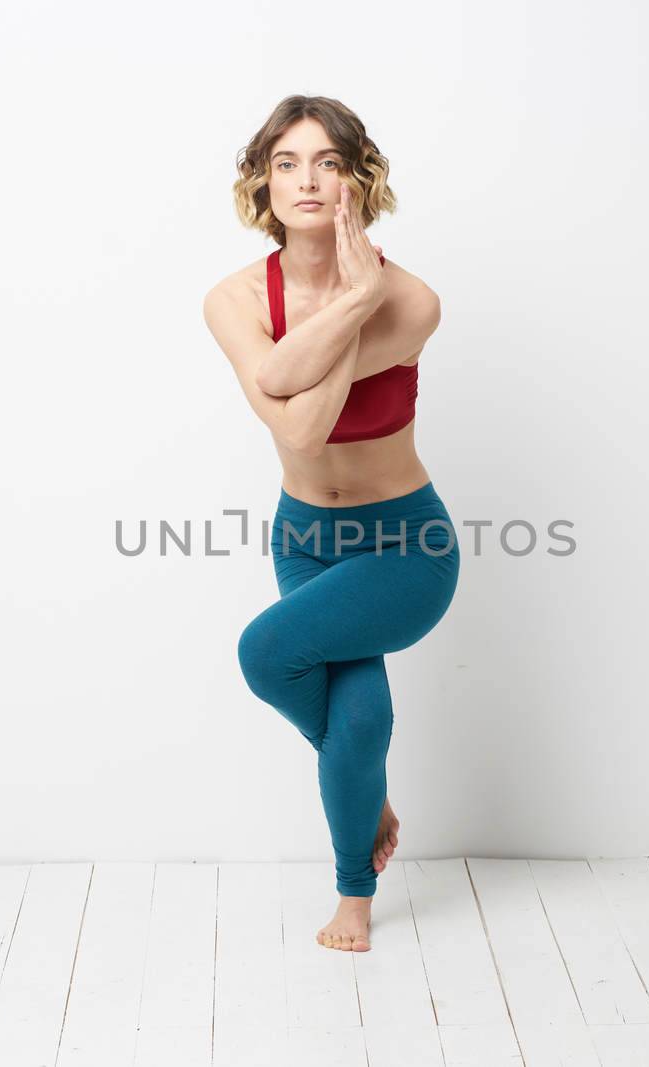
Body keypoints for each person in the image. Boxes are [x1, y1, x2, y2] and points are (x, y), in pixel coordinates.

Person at [202, 96, 460, 952]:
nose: (306, 179)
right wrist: (350, 303)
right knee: (357, 724)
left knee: (264, 653)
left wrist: (360, 302)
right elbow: (297, 422)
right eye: (285, 163)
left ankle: (357, 864)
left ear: (358, 180)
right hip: (305, 539)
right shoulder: (233, 298)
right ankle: (363, 843)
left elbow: (299, 408)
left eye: (326, 162)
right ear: (263, 183)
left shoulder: (412, 303)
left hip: (406, 548)